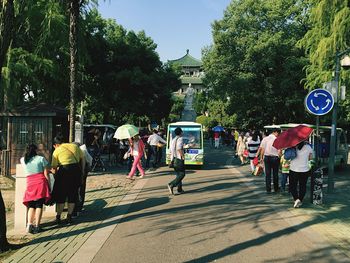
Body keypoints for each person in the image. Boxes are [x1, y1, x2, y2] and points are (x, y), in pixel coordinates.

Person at [51, 135, 83, 225]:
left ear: (56, 144)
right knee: (72, 194)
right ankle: (69, 216)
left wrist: (55, 175)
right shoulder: (74, 146)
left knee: (61, 195)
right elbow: (82, 158)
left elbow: (54, 167)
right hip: (75, 171)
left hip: (64, 172)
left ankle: (58, 217)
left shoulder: (57, 150)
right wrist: (82, 172)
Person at [20, 144, 51, 234]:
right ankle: (37, 226)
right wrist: (49, 185)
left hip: (30, 183)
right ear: (36, 150)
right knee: (39, 205)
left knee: (31, 205)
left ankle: (29, 224)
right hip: (40, 183)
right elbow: (46, 174)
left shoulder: (23, 160)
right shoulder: (41, 159)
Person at [289, 141, 313, 208]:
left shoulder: (292, 146)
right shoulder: (308, 147)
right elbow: (310, 158)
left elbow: (288, 156)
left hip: (293, 169)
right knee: (303, 186)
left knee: (293, 186)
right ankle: (300, 200)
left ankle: (296, 199)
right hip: (304, 170)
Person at [259, 128, 281, 193]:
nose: (278, 135)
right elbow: (279, 150)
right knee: (275, 174)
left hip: (267, 157)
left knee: (268, 174)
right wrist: (280, 156)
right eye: (278, 133)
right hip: (275, 158)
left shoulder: (265, 139)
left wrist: (261, 158)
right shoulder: (277, 139)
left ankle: (268, 189)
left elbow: (262, 149)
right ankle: (276, 189)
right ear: (276, 132)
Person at [168, 127, 185, 195]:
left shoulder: (174, 139)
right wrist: (183, 156)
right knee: (182, 174)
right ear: (181, 132)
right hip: (178, 159)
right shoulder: (180, 139)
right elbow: (179, 148)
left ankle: (179, 189)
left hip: (174, 159)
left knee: (178, 174)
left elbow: (171, 149)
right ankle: (171, 184)